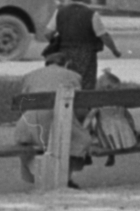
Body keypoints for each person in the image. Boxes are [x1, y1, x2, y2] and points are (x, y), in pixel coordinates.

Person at [13, 52, 95, 189]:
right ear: (66, 64)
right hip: (55, 119)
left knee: (45, 140)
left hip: (27, 124)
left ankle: (38, 175)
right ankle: (66, 178)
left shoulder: (30, 76)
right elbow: (78, 108)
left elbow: (25, 101)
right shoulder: (74, 76)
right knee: (78, 139)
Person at [43, 0, 123, 90]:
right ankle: (85, 107)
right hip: (86, 56)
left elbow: (47, 33)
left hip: (64, 55)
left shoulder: (60, 12)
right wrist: (115, 51)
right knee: (85, 85)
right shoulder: (92, 15)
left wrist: (57, 41)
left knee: (68, 84)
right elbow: (104, 36)